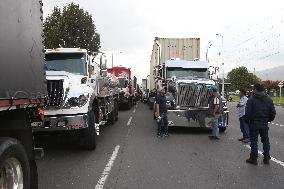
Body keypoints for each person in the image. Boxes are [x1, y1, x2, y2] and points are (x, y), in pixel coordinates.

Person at [245, 83, 276, 165]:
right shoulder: (269, 99)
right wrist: (268, 119)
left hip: (254, 123)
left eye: (253, 89)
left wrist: (248, 121)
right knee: (265, 140)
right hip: (264, 123)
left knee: (254, 141)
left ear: (255, 89)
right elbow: (273, 113)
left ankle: (254, 158)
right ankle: (266, 157)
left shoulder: (251, 99)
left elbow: (247, 113)